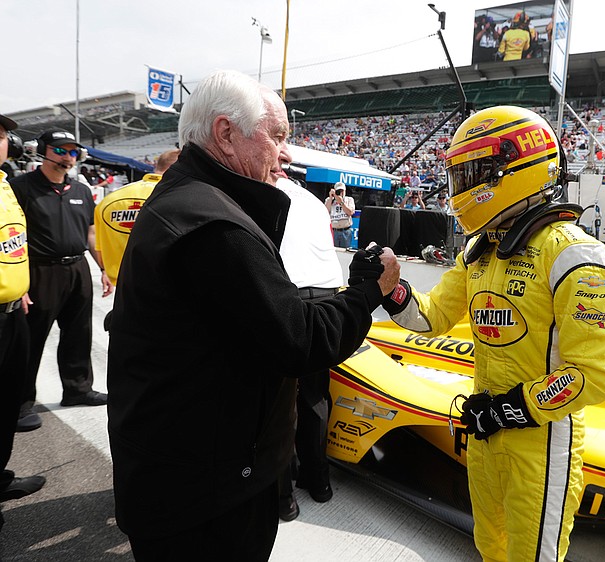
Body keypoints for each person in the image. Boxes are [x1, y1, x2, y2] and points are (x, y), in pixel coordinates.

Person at [106, 69, 400, 561]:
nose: (286, 153)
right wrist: (369, 291)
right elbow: (299, 341)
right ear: (225, 133)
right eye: (278, 135)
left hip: (188, 472)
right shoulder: (214, 223)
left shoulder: (192, 199)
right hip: (208, 494)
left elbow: (266, 317)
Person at [381, 106, 605, 561]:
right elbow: (431, 317)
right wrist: (390, 288)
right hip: (485, 431)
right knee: (489, 547)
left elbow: (594, 375)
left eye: (472, 173)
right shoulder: (481, 251)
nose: (461, 189)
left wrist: (514, 409)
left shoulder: (576, 257)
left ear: (512, 169)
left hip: (541, 442)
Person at [9, 130, 112, 432]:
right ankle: (19, 403)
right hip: (39, 271)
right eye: (61, 150)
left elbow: (91, 233)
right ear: (44, 151)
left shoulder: (80, 189)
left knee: (79, 333)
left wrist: (103, 269)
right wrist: (20, 282)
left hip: (77, 268)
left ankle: (77, 389)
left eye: (73, 152)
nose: (68, 157)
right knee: (30, 339)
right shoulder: (20, 188)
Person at [274, 176, 344, 522]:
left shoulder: (263, 192)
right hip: (328, 293)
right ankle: (320, 482)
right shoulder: (314, 201)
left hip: (291, 293)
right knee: (315, 398)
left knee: (280, 400)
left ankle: (283, 496)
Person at [0, 112, 45, 528]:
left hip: (13, 310)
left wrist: (20, 283)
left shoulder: (4, 184)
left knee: (8, 402)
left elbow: (11, 241)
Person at [93, 149, 180, 286]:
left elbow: (100, 250)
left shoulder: (107, 201)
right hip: (163, 287)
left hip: (121, 286)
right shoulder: (177, 197)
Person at [325, 181, 355, 248]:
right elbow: (325, 212)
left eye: (342, 191)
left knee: (345, 252)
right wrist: (331, 198)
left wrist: (341, 202)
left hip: (345, 231)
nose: (340, 193)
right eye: (338, 191)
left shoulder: (349, 200)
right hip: (334, 231)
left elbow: (350, 212)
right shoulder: (329, 200)